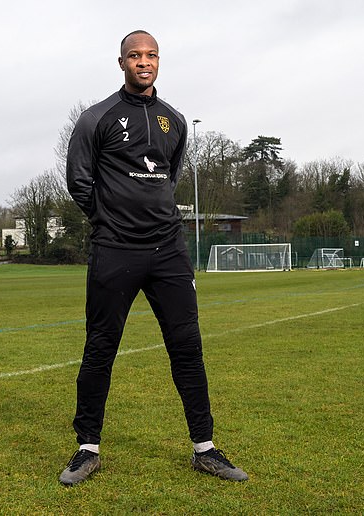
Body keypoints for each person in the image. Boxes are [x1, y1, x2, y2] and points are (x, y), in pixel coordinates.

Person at [59, 30, 247, 485]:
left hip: (168, 252)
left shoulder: (174, 121)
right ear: (121, 63)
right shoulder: (96, 118)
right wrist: (109, 221)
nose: (144, 62)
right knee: (100, 347)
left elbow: (170, 177)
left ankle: (205, 449)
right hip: (114, 250)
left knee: (187, 347)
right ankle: (87, 449)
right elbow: (78, 181)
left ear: (159, 62)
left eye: (151, 55)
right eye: (135, 56)